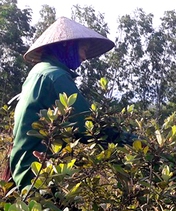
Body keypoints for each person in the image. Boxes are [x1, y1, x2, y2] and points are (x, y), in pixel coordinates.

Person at [10, 16, 119, 188]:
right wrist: (135, 142)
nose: (84, 57)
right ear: (66, 46)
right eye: (83, 49)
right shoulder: (55, 76)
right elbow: (90, 126)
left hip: (25, 170)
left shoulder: (38, 71)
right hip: (38, 177)